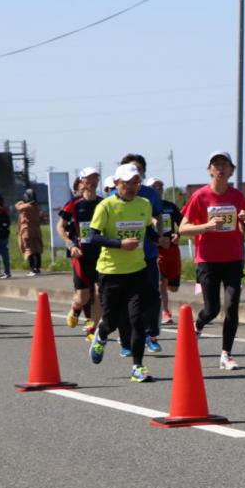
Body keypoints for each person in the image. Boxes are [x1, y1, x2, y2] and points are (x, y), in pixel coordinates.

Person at [179, 151, 245, 370]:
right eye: (216, 164)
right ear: (210, 170)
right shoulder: (200, 196)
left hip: (233, 259)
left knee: (232, 306)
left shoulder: (237, 196)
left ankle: (226, 354)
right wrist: (206, 227)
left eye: (224, 164)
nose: (220, 168)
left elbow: (244, 230)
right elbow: (182, 228)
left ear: (231, 170)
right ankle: (198, 324)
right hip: (207, 260)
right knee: (212, 309)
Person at [86, 164, 157, 382]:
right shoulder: (106, 206)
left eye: (136, 182)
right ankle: (102, 334)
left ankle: (137, 367)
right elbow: (93, 237)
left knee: (137, 320)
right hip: (111, 272)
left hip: (137, 271)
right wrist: (119, 244)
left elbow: (148, 229)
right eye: (127, 183)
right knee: (112, 322)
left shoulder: (144, 204)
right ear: (117, 183)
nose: (132, 187)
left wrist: (161, 239)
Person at [119, 154, 166, 353]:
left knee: (152, 296)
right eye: (129, 170)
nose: (133, 175)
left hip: (147, 254)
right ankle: (125, 341)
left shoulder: (150, 195)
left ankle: (151, 335)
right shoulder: (113, 198)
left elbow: (158, 217)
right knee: (126, 300)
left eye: (137, 170)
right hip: (123, 259)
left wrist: (159, 237)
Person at [58, 168, 103, 334]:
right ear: (82, 181)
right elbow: (60, 226)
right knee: (83, 296)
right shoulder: (74, 204)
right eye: (89, 178)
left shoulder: (103, 203)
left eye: (95, 178)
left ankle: (93, 328)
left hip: (100, 255)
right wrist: (71, 245)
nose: (92, 181)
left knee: (99, 292)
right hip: (81, 255)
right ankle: (76, 307)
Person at [146, 177, 183, 324]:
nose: (158, 190)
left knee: (173, 288)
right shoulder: (145, 207)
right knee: (162, 283)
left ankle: (156, 296)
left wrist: (178, 234)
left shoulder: (170, 206)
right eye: (154, 187)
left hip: (172, 250)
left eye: (160, 187)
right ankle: (165, 312)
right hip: (156, 250)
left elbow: (183, 223)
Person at [15, 189, 43, 276]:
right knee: (37, 249)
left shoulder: (26, 206)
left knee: (29, 249)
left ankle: (32, 269)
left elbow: (17, 206)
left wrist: (21, 201)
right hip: (36, 230)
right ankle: (37, 268)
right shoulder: (37, 206)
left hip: (27, 230)